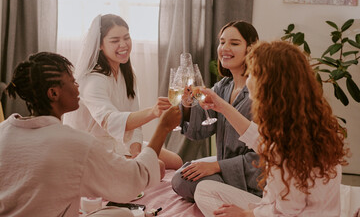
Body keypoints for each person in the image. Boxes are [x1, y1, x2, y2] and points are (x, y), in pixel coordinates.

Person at [0, 52, 181, 217]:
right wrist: (163, 128)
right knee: (123, 214)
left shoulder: (4, 130)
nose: (78, 88)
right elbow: (133, 180)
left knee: (118, 213)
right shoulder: (73, 143)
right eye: (73, 81)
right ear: (53, 93)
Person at [194, 41, 349, 217]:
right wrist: (221, 105)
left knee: (210, 197)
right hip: (299, 208)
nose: (247, 78)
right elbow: (259, 138)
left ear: (267, 83)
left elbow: (287, 212)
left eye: (251, 73)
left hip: (289, 213)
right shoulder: (302, 122)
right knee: (204, 189)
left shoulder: (290, 147)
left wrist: (246, 215)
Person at [63, 14, 183, 175]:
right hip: (91, 148)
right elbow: (110, 121)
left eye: (126, 38)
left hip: (117, 142)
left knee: (176, 161)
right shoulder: (93, 80)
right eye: (114, 41)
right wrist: (153, 112)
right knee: (159, 167)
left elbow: (135, 122)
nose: (123, 45)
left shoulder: (126, 73)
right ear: (99, 45)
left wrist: (136, 151)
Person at [171, 21, 262, 202]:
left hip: (251, 180)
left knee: (185, 180)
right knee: (184, 175)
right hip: (225, 171)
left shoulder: (260, 93)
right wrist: (188, 105)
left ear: (251, 49)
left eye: (234, 43)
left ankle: (229, 196)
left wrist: (217, 167)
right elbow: (200, 131)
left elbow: (263, 157)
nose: (225, 48)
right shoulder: (223, 86)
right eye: (222, 42)